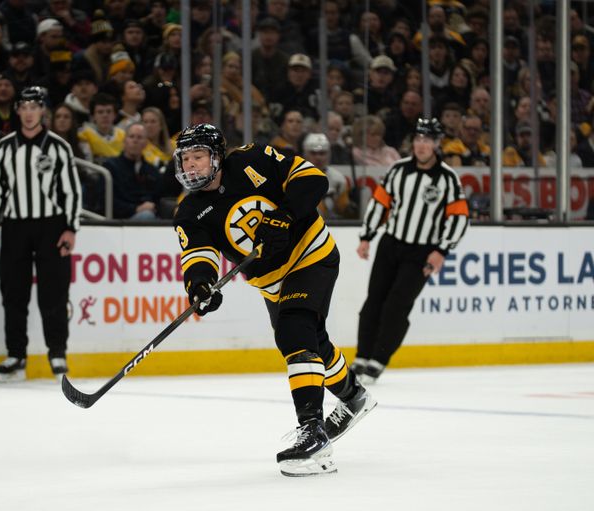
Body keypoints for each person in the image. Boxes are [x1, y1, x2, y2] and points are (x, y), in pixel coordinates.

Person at [172, 123, 376, 477]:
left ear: (217, 156)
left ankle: (314, 435)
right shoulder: (189, 212)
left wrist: (284, 214)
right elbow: (199, 257)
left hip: (311, 254)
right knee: (311, 340)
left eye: (198, 157)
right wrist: (200, 286)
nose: (191, 166)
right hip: (271, 281)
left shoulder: (254, 159)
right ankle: (354, 396)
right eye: (186, 159)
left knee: (294, 334)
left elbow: (313, 179)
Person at [352, 118, 469, 385]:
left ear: (437, 144)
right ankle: (361, 356)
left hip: (422, 251)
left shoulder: (448, 179)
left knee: (397, 306)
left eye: (427, 139)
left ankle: (378, 359)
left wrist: (441, 250)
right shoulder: (398, 170)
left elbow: (460, 218)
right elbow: (380, 203)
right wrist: (367, 236)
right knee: (373, 301)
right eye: (418, 139)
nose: (421, 144)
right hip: (391, 243)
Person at [0, 86, 82, 382]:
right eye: (23, 107)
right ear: (18, 111)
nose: (28, 112)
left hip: (52, 226)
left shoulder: (58, 148)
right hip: (14, 227)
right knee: (13, 293)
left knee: (54, 292)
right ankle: (16, 355)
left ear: (43, 111)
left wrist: (71, 228)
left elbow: (71, 190)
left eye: (34, 107)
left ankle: (57, 353)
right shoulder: (4, 148)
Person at [103, 122, 160, 220]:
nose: (135, 140)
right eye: (131, 136)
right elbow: (106, 201)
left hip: (149, 216)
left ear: (146, 143)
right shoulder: (110, 166)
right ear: (124, 141)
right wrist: (136, 208)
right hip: (120, 219)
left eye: (139, 137)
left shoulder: (152, 171)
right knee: (147, 216)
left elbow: (159, 199)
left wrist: (154, 206)